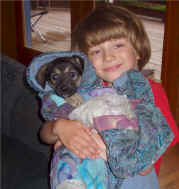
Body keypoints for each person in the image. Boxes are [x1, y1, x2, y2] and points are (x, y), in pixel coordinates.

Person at [39, 5, 179, 189]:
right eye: (96, 51)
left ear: (138, 50)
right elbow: (44, 135)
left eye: (118, 45)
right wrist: (60, 128)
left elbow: (148, 164)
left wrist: (106, 150)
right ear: (85, 61)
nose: (108, 56)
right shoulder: (82, 91)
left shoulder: (151, 93)